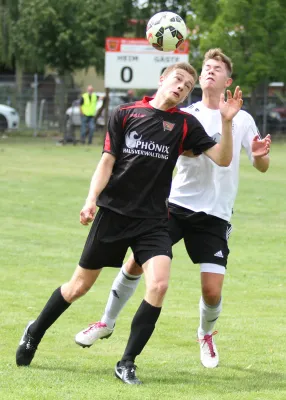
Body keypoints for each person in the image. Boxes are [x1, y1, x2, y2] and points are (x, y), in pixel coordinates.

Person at [16, 61, 243, 385]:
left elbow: (222, 158)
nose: (182, 86)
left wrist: (225, 120)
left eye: (187, 85)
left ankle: (127, 362)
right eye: (178, 79)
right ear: (162, 78)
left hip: (152, 220)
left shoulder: (185, 124)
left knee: (160, 284)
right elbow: (107, 160)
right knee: (78, 287)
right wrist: (90, 199)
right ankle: (34, 332)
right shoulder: (125, 114)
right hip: (113, 213)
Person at [74, 49, 271, 371]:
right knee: (136, 263)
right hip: (175, 206)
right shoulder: (185, 116)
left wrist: (260, 155)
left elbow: (258, 165)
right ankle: (106, 321)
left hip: (216, 214)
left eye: (216, 68)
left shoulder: (241, 118)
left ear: (227, 80)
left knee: (211, 290)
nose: (209, 71)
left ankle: (205, 334)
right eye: (206, 67)